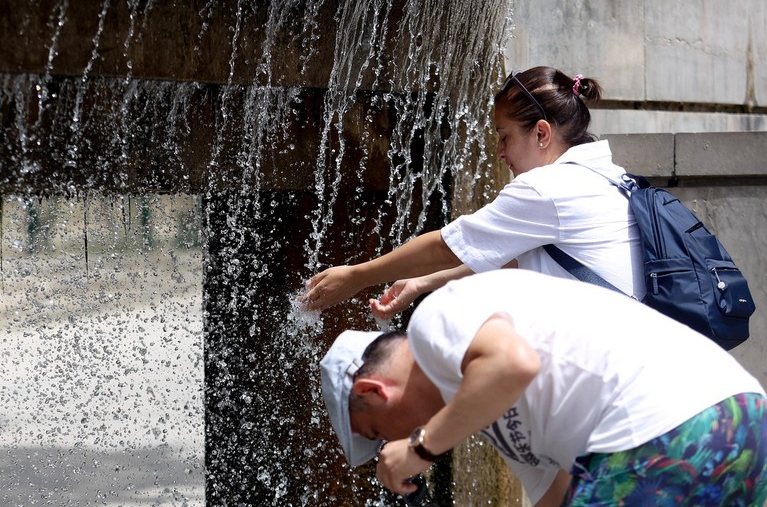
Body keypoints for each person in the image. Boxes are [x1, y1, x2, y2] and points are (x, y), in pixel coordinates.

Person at [320, 270, 767, 506]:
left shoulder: (433, 320)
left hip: (658, 432)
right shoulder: (486, 413)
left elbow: (514, 363)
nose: (390, 446)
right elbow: (556, 498)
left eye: (378, 434)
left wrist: (419, 449)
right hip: (742, 425)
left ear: (375, 390)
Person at [303, 66, 644, 319]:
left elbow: (446, 247)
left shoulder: (547, 190)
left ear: (541, 133)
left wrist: (356, 276)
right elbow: (510, 256)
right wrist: (422, 283)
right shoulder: (608, 178)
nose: (499, 152)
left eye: (504, 136)